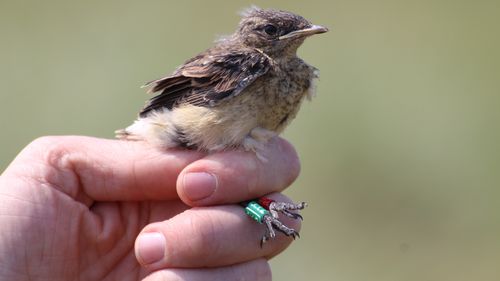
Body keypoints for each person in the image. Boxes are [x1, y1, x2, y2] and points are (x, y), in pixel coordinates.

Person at [0, 135, 301, 280]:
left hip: (205, 162)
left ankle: (262, 209)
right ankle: (262, 210)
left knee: (222, 184)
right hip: (188, 139)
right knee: (216, 180)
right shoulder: (247, 67)